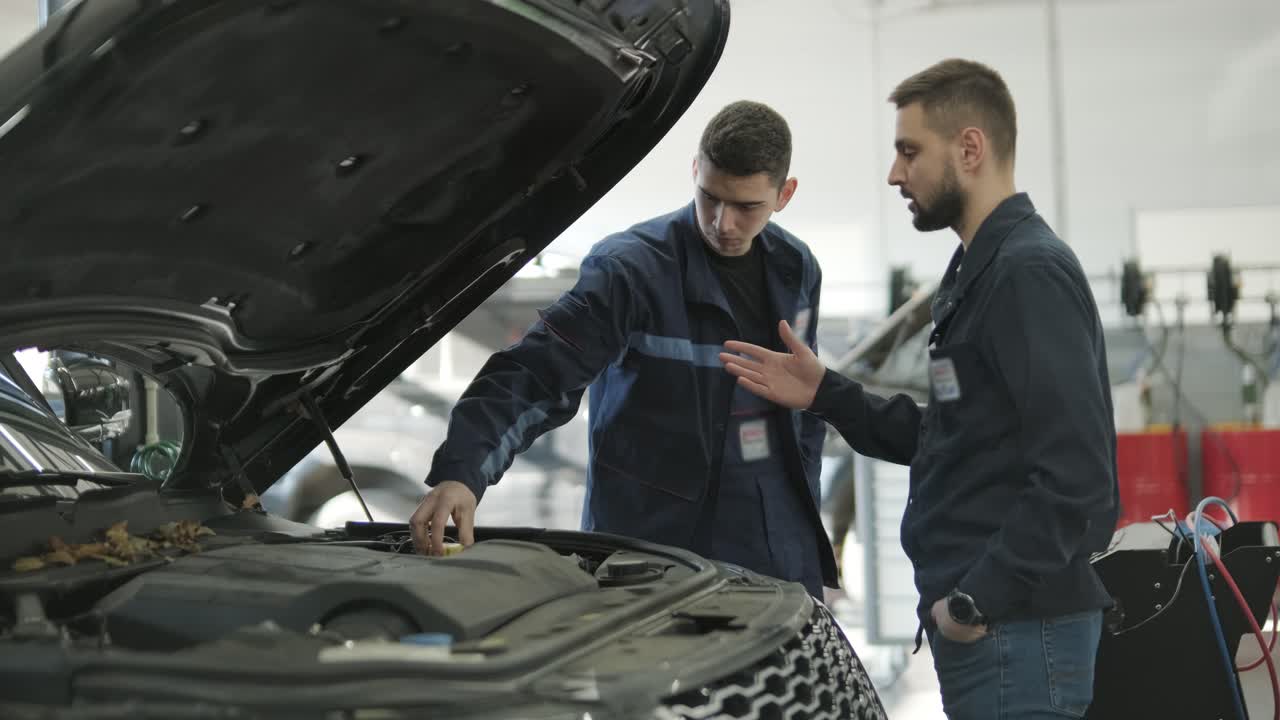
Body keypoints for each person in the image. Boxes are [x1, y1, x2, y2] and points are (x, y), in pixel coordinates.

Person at [720, 59, 1119, 719]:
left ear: (969, 148)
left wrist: (973, 601)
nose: (894, 174)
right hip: (994, 633)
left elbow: (1078, 479)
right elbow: (952, 436)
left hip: (1016, 633)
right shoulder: (975, 274)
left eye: (910, 152)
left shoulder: (1027, 275)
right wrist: (828, 392)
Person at [410, 100, 838, 600]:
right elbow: (538, 374)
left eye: (747, 207)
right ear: (695, 170)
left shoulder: (797, 269)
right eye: (710, 197)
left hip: (770, 550)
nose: (723, 223)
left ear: (784, 195)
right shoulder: (630, 272)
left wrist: (801, 538)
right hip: (648, 552)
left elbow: (804, 409)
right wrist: (464, 474)